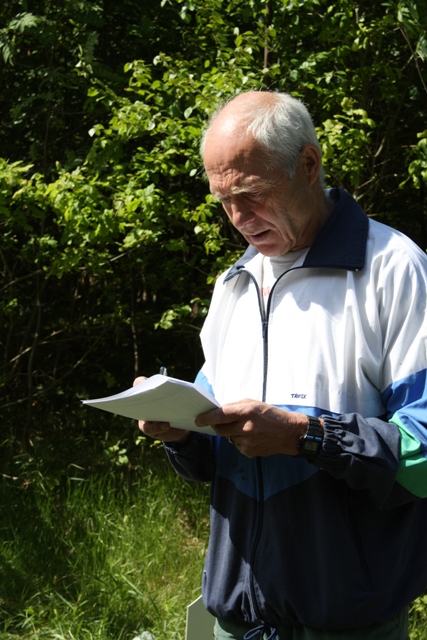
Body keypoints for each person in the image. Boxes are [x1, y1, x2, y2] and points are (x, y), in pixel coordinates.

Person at [136, 90, 427, 640]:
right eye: (224, 200)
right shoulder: (233, 285)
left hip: (347, 619)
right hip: (236, 616)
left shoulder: (395, 271)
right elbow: (212, 460)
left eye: (251, 194)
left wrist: (304, 436)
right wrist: (180, 433)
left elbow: (423, 459)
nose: (238, 218)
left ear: (308, 165)